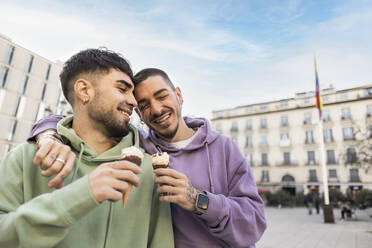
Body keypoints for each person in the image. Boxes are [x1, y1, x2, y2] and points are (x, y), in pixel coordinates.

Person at [29, 68, 266, 247]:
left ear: (178, 95)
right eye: (144, 105)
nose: (156, 109)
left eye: (162, 96)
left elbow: (254, 224)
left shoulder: (224, 148)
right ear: (139, 113)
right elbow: (71, 120)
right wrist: (48, 136)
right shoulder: (137, 144)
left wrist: (197, 200)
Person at [0, 49, 173, 247]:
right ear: (84, 91)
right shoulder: (26, 158)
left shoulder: (151, 171)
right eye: (122, 89)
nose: (134, 102)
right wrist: (81, 194)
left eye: (132, 93)